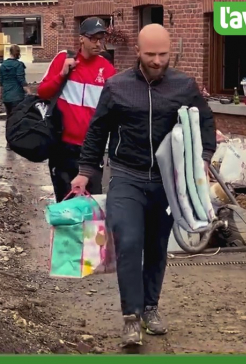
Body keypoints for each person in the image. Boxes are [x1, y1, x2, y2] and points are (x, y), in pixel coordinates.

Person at [71, 24, 217, 347]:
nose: (156, 60)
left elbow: (205, 119)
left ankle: (151, 308)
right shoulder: (117, 87)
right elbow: (97, 131)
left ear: (170, 53)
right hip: (126, 176)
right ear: (137, 52)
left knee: (156, 246)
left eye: (163, 54)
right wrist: (85, 170)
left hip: (167, 180)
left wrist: (204, 156)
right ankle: (131, 317)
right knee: (128, 242)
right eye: (150, 54)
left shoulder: (184, 85)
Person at [37, 17, 116, 202]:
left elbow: (112, 111)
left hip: (91, 149)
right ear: (82, 38)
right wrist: (62, 74)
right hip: (62, 147)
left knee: (91, 205)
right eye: (93, 38)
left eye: (101, 38)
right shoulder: (63, 60)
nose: (98, 43)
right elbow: (42, 92)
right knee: (65, 205)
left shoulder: (107, 69)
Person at [0, 44, 30, 118]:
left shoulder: (3, 65)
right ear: (19, 53)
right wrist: (29, 92)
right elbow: (21, 80)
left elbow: (1, 82)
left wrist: (0, 94)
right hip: (17, 96)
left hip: (6, 97)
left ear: (10, 52)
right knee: (17, 119)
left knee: (9, 117)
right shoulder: (19, 65)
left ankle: (8, 129)